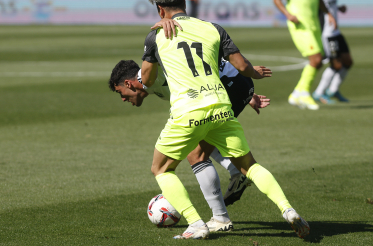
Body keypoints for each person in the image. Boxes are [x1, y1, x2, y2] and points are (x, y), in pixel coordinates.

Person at [140, 0, 309, 239]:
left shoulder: (157, 35)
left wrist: (152, 45)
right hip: (222, 106)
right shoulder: (212, 28)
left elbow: (148, 80)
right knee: (249, 165)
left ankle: (196, 223)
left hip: (189, 110)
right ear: (185, 4)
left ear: (160, 10)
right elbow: (242, 66)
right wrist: (256, 74)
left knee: (161, 169)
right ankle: (288, 210)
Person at [108, 57, 270, 232]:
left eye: (120, 92)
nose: (123, 99)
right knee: (203, 138)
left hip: (226, 90)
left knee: (195, 154)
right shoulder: (150, 84)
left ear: (128, 83)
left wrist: (239, 74)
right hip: (228, 90)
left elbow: (196, 58)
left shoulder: (154, 73)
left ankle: (221, 218)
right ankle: (234, 171)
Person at [273, 0, 337, 110]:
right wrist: (288, 15)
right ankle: (304, 93)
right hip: (300, 25)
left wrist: (329, 14)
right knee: (316, 59)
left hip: (314, 24)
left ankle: (297, 93)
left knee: (319, 61)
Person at [312, 0, 353, 103]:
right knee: (336, 65)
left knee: (348, 62)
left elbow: (330, 4)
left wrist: (339, 7)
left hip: (336, 31)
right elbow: (317, 5)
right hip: (327, 32)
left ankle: (333, 90)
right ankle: (318, 92)